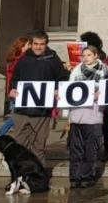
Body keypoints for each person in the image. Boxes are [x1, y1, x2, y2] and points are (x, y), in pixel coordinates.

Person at [7, 31, 69, 164]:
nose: (38, 47)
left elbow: (62, 77)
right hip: (22, 110)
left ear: (46, 44)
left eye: (42, 44)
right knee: (19, 145)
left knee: (38, 146)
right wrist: (12, 89)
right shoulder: (24, 59)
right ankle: (19, 178)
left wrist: (58, 89)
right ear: (31, 44)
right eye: (35, 44)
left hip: (42, 111)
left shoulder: (52, 58)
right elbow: (15, 78)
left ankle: (38, 178)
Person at [66, 45, 108, 188]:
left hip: (93, 114)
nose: (85, 58)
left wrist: (100, 93)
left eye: (89, 55)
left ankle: (87, 176)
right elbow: (69, 91)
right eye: (83, 55)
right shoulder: (76, 71)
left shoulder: (105, 71)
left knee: (91, 149)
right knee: (76, 148)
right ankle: (74, 177)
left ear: (96, 56)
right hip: (77, 114)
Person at [0, 36, 30, 137]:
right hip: (17, 91)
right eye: (28, 45)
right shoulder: (20, 60)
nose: (31, 47)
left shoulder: (14, 59)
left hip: (14, 90)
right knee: (16, 117)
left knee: (17, 116)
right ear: (22, 47)